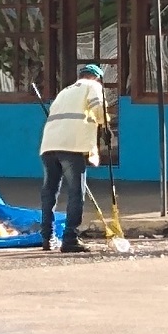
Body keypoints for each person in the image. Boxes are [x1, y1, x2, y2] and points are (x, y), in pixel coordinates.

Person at [38, 64, 111, 253]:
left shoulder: (65, 92)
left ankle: (47, 237)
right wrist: (106, 126)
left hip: (49, 145)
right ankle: (70, 238)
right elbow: (99, 111)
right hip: (72, 146)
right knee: (75, 193)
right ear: (96, 78)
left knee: (49, 193)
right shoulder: (93, 86)